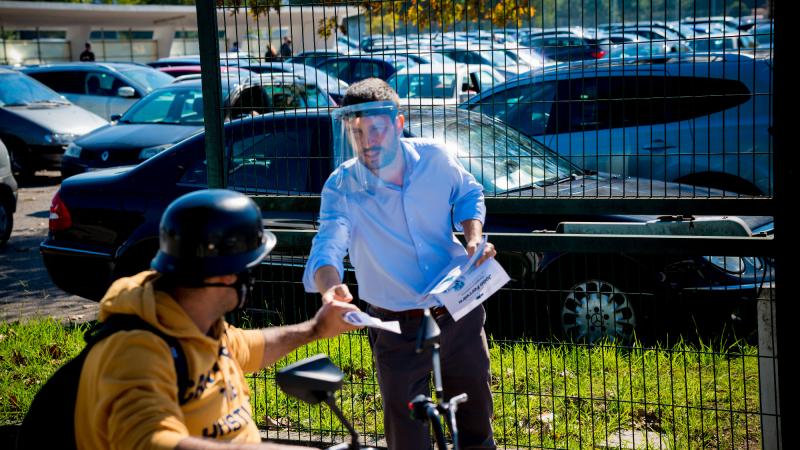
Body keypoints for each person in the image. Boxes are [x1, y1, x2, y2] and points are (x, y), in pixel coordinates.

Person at [75, 189, 361, 450]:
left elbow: (249, 346)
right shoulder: (136, 349)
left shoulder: (197, 323)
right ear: (226, 274)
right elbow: (150, 441)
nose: (252, 277)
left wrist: (315, 328)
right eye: (249, 267)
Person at [302, 78, 497, 450]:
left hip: (459, 313)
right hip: (397, 329)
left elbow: (468, 191)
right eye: (357, 132)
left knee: (474, 430)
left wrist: (473, 235)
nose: (367, 141)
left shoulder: (436, 158)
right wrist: (331, 289)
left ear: (399, 124)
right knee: (407, 439)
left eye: (376, 129)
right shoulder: (342, 185)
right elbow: (327, 247)